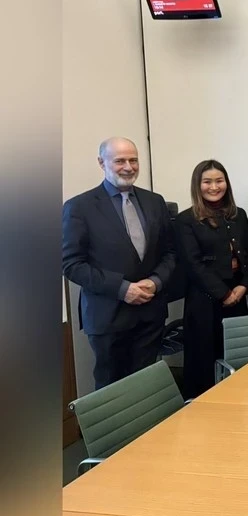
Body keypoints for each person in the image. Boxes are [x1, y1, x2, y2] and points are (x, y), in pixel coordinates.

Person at [62, 137, 176, 389]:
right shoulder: (79, 207)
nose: (128, 167)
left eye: (133, 160)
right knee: (112, 391)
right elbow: (71, 264)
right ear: (102, 163)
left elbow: (170, 253)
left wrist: (156, 281)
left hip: (150, 313)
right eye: (120, 161)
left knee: (146, 387)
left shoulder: (155, 202)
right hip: (108, 317)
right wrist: (122, 288)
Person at [174, 160, 248, 399]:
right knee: (204, 358)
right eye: (207, 182)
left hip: (237, 295)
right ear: (197, 185)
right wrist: (224, 293)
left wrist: (244, 285)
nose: (214, 187)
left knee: (235, 354)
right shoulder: (186, 220)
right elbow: (192, 263)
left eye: (219, 181)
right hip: (204, 299)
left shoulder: (238, 215)